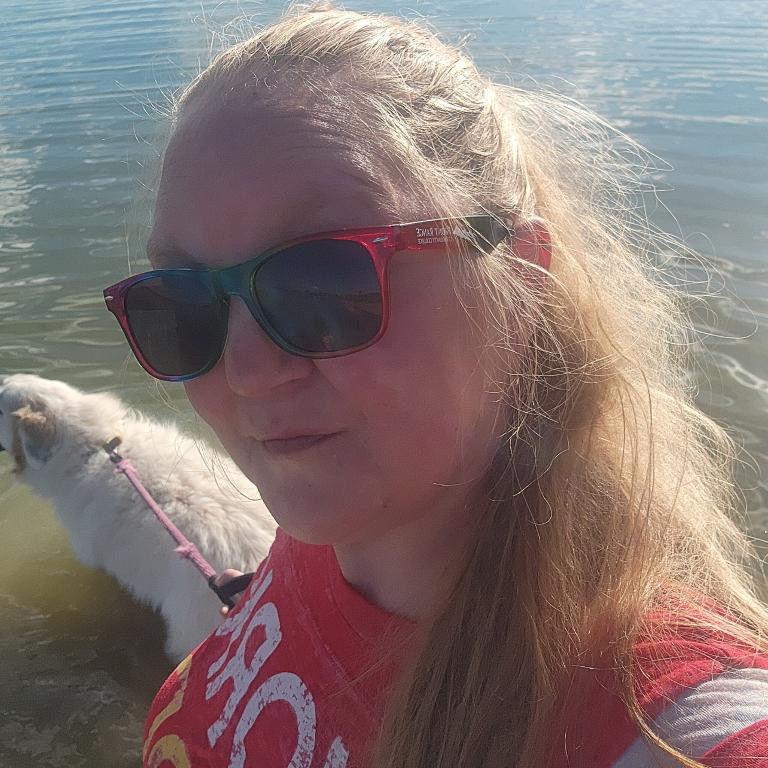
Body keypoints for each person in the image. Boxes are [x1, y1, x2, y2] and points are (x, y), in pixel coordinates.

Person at [103, 3, 768, 767]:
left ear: (522, 279)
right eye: (182, 305)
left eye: (324, 284)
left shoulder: (676, 735)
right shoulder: (338, 513)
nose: (247, 374)